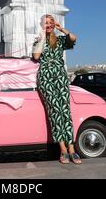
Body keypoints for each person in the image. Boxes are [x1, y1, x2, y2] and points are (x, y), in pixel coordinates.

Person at [32, 14, 82, 164]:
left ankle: (72, 149)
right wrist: (41, 37)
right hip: (45, 77)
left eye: (51, 23)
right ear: (42, 25)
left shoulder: (59, 40)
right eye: (46, 23)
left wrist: (63, 29)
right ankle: (63, 150)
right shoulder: (38, 40)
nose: (48, 25)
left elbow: (74, 38)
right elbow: (36, 56)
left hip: (60, 76)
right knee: (55, 110)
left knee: (65, 110)